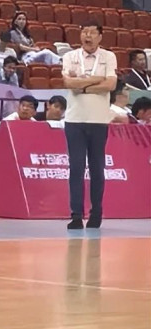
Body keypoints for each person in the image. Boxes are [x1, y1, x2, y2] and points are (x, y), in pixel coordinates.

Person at [61, 22, 117, 230]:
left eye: (93, 33)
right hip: (74, 120)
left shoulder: (108, 57)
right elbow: (68, 84)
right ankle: (76, 215)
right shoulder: (70, 56)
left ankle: (96, 213)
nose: (88, 36)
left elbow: (110, 84)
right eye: (85, 32)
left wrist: (82, 85)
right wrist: (96, 80)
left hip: (99, 120)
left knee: (97, 168)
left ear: (100, 36)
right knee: (76, 167)